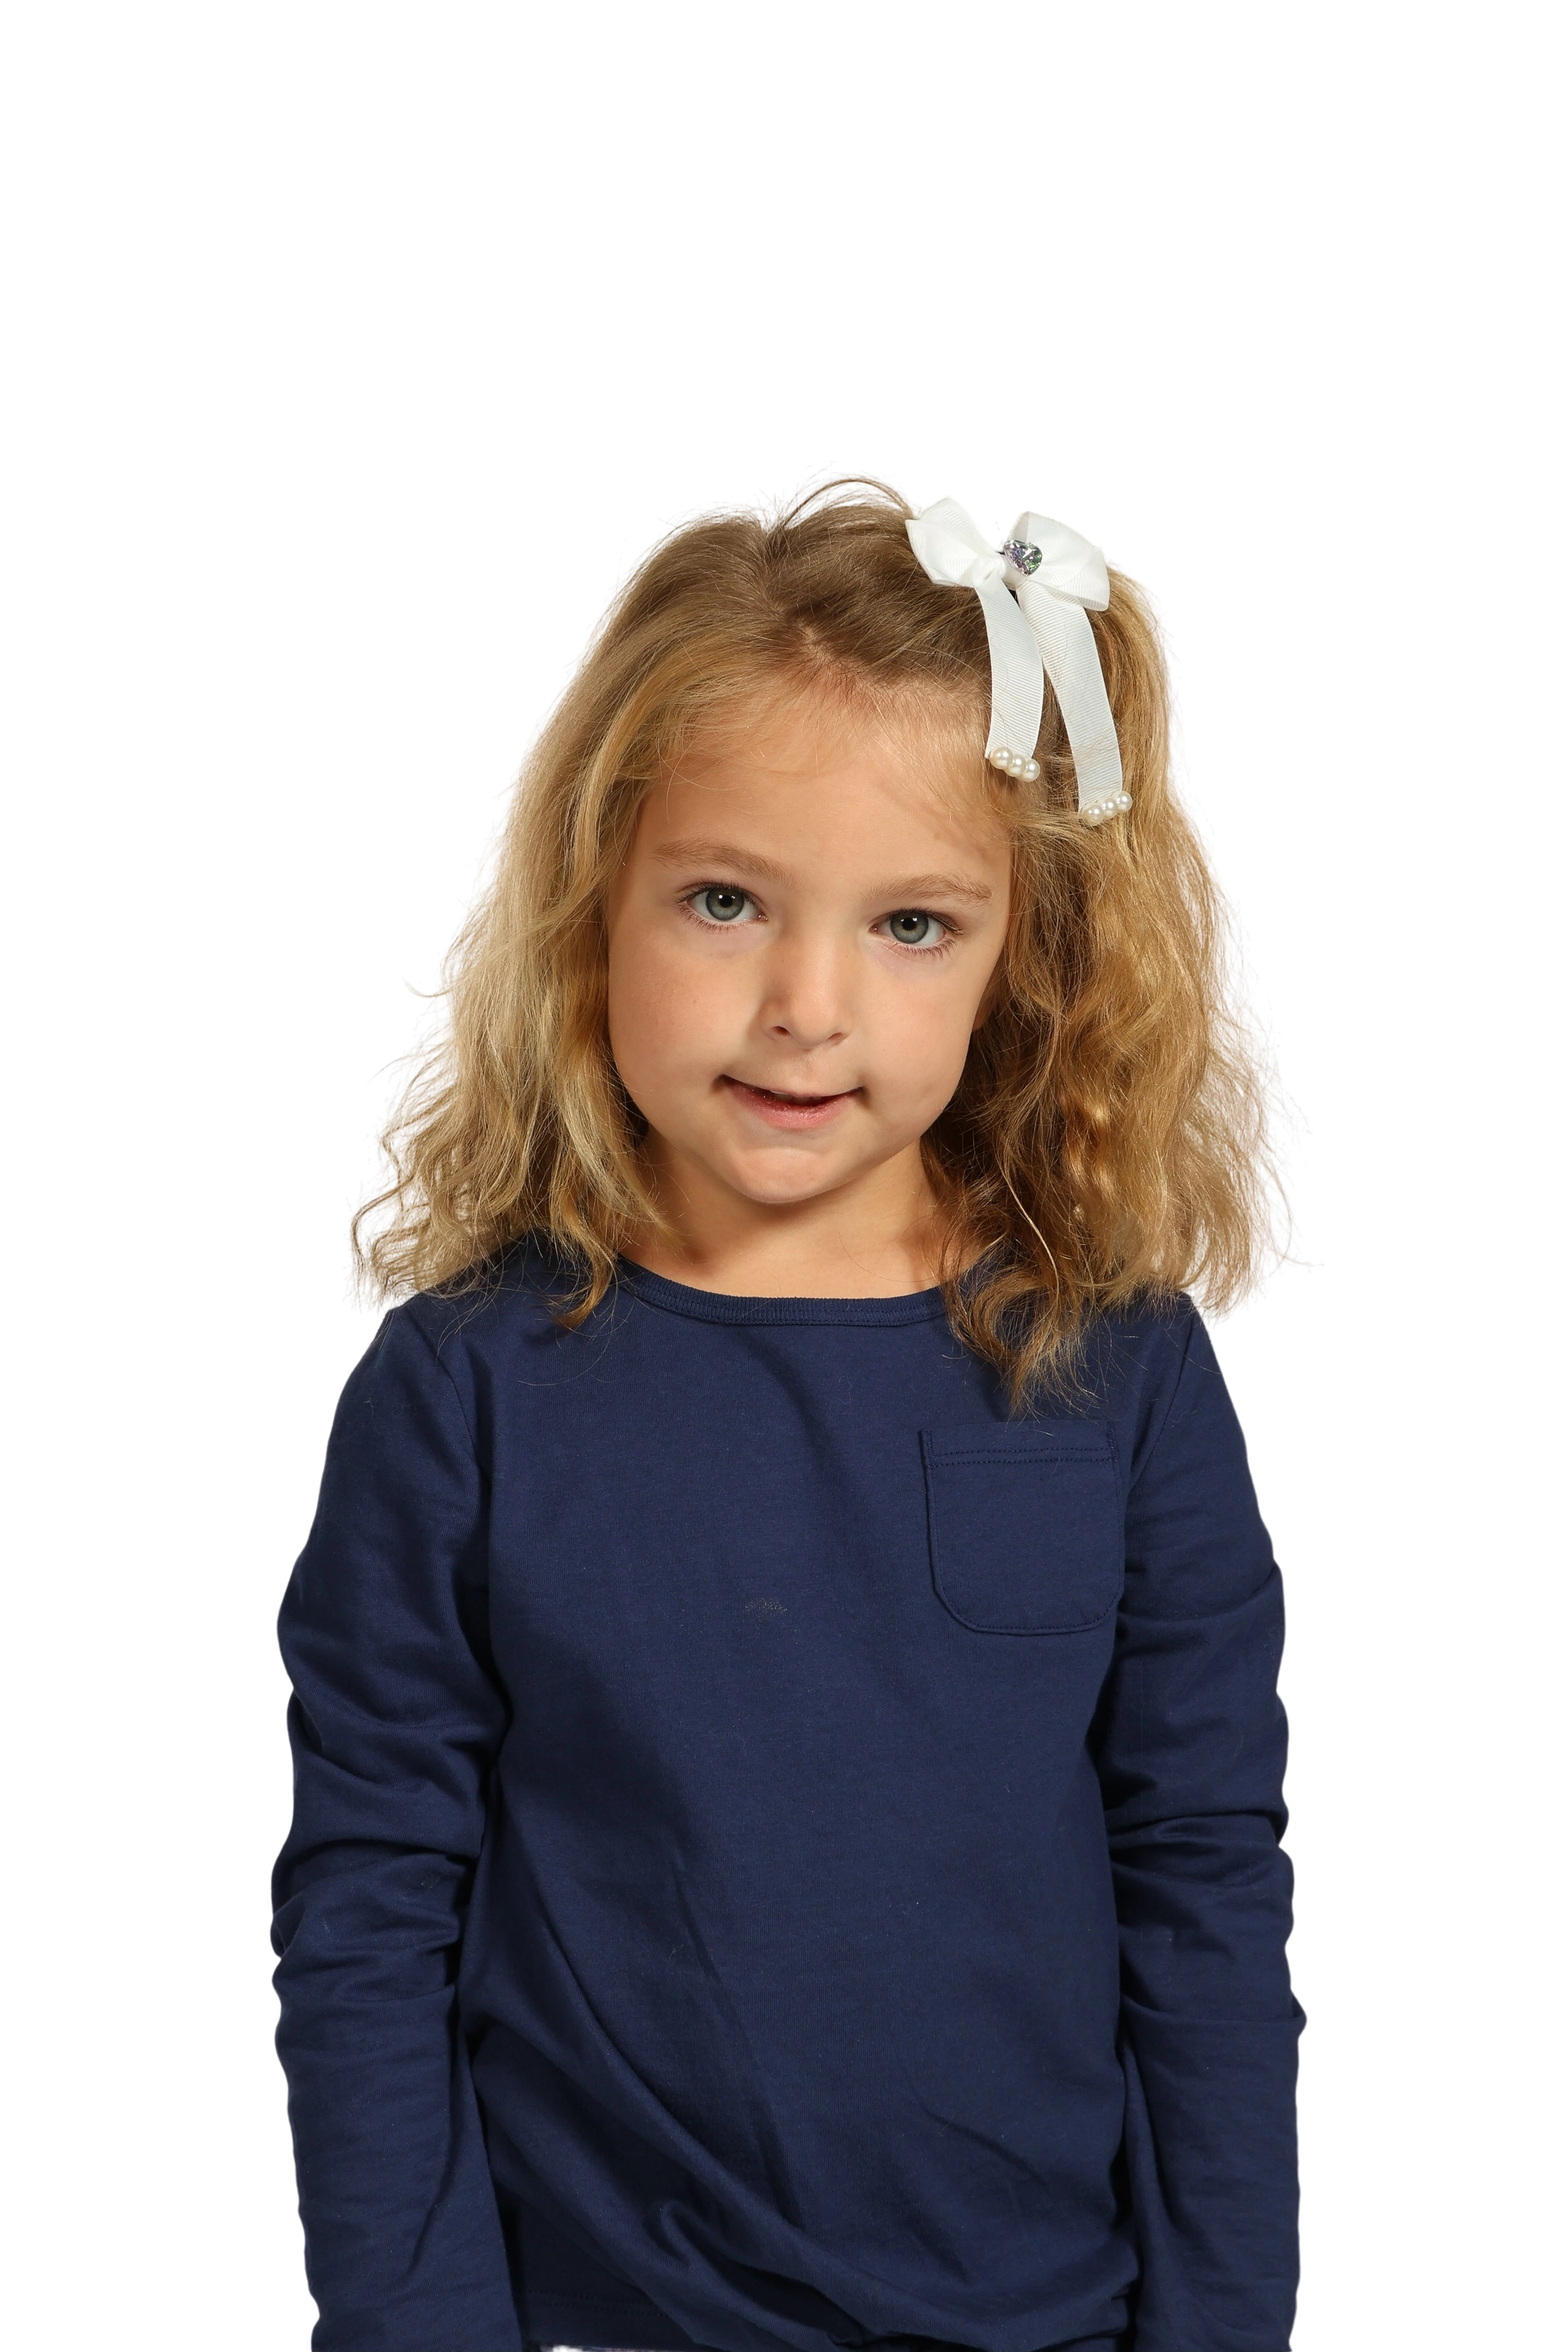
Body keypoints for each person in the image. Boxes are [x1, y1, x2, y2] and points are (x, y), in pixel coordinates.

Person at [269, 463, 1310, 2352]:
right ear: (593, 902)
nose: (806, 1005)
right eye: (727, 901)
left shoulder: (1125, 1374)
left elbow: (1204, 1892)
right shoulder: (460, 1392)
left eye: (914, 923)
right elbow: (369, 1918)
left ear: (1029, 959)